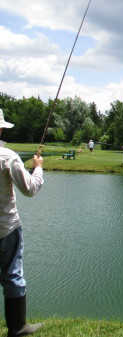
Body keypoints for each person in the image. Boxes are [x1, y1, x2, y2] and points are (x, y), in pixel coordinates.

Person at [0, 109, 44, 336]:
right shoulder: (7, 157)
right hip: (6, 229)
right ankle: (17, 327)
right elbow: (30, 189)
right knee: (12, 275)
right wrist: (38, 167)